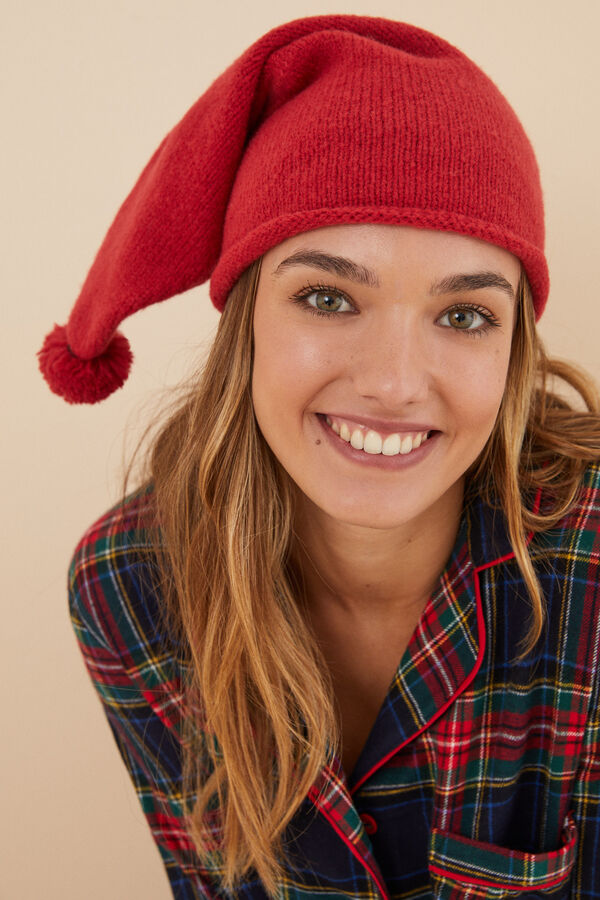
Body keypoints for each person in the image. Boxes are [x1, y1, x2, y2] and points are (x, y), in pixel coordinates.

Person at [37, 13, 600, 900]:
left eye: (464, 316)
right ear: (246, 323)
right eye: (329, 297)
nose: (394, 383)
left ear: (513, 351)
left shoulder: (591, 571)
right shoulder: (132, 587)